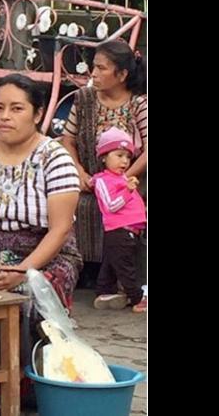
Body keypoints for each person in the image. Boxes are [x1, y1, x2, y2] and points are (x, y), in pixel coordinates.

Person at [0, 74, 81, 373]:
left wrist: (23, 271)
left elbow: (60, 230)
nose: (5, 116)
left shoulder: (54, 158)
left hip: (45, 255)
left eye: (17, 108)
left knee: (26, 294)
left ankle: (24, 377)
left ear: (37, 114)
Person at [61, 40, 147, 273]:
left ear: (122, 75)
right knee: (60, 200)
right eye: (94, 67)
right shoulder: (83, 99)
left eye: (101, 68)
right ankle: (74, 265)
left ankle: (117, 274)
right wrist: (79, 171)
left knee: (122, 208)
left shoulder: (139, 104)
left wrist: (119, 180)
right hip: (88, 178)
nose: (94, 73)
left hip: (124, 179)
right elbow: (67, 139)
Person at [90, 127, 147, 312]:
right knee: (125, 267)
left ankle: (104, 291)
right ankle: (138, 298)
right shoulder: (102, 180)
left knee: (112, 262)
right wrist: (128, 190)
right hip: (119, 230)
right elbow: (111, 206)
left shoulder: (123, 178)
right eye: (119, 155)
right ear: (104, 157)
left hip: (131, 230)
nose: (124, 161)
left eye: (128, 157)